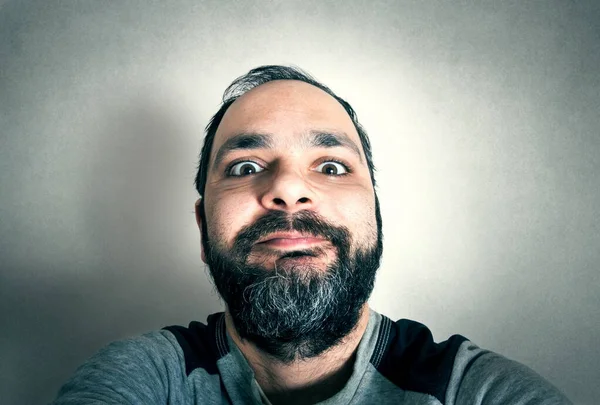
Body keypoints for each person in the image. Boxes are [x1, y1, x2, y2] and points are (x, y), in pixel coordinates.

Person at [53, 65, 571, 405]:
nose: (287, 190)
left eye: (330, 166)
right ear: (202, 223)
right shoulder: (148, 378)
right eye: (245, 165)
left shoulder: (469, 390)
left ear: (375, 214)